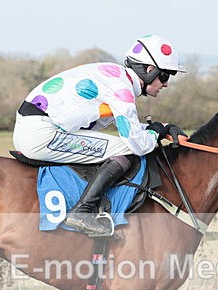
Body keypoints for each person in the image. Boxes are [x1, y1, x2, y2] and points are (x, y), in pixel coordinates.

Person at [13, 34, 186, 237]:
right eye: (165, 76)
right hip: (41, 134)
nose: (165, 84)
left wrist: (163, 127)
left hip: (36, 127)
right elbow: (138, 144)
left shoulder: (115, 77)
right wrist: (156, 132)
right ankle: (82, 212)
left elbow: (128, 125)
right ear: (149, 71)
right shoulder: (121, 89)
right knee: (127, 149)